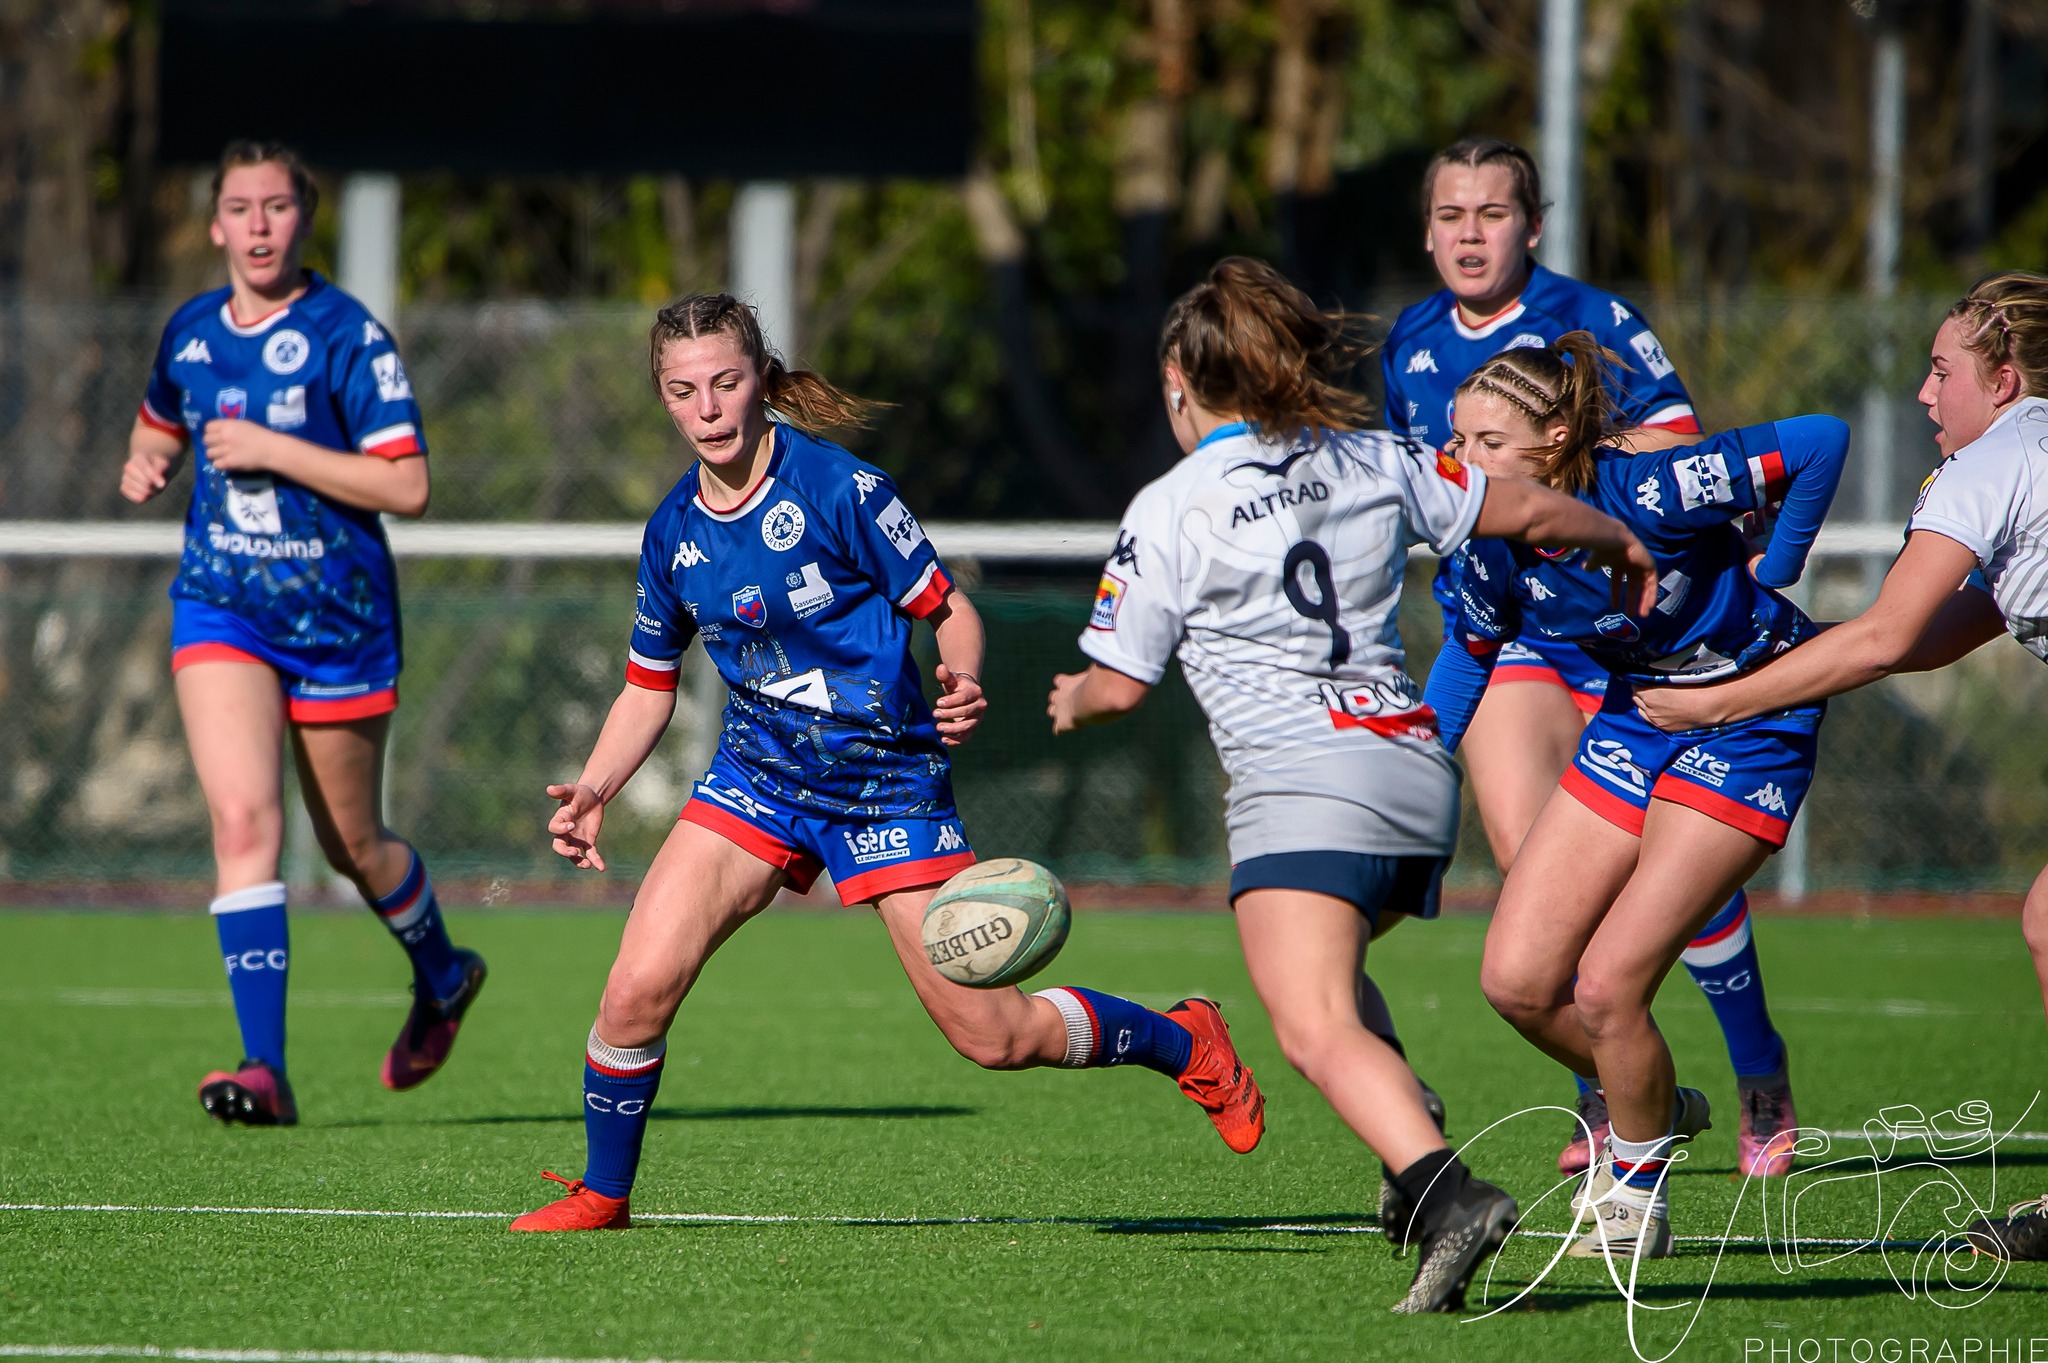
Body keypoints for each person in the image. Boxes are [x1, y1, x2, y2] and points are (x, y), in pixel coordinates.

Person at [509, 293, 1267, 1233]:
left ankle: (1179, 1037)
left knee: (993, 1035)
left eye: (726, 383)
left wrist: (961, 678)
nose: (707, 408)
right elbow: (646, 686)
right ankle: (604, 1193)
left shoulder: (840, 490)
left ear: (761, 382)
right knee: (633, 988)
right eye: (682, 391)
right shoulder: (672, 532)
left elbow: (951, 611)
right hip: (758, 778)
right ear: (662, 400)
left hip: (886, 787)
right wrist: (594, 786)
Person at [1047, 258, 1662, 1312]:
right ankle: (1405, 1109)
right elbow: (1516, 509)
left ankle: (1445, 1193)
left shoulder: (1173, 504)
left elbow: (1118, 685)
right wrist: (1614, 536)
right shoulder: (1370, 456)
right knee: (1332, 976)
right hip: (1413, 770)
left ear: (1175, 384)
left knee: (1309, 1023)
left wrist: (1070, 697)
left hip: (1300, 780)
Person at [1383, 135, 1798, 1178]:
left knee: (1673, 866)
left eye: (1488, 213)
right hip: (1516, 620)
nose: (1467, 234)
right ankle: (1604, 1101)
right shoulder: (1409, 343)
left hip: (1631, 611)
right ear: (1425, 229)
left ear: (1531, 224)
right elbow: (1432, 491)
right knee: (1539, 870)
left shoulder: (1595, 321)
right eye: (1448, 216)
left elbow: (1679, 445)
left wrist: (1596, 512)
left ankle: (1755, 1068)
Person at [1630, 271, 2048, 1261]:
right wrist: (1801, 650)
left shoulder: (1990, 461)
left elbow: (1880, 637)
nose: (1920, 394)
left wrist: (1719, 697)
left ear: (2002, 379)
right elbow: (1949, 624)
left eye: (1940, 370)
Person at [1423, 333, 1849, 1259]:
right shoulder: (1489, 538)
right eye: (1456, 442)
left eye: (1488, 443)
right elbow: (1469, 654)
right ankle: (1652, 1098)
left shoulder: (1650, 485)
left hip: (1750, 725)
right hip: (1637, 723)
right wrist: (1410, 764)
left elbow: (1820, 438)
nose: (1464, 464)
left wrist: (1773, 573)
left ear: (1559, 434)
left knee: (1608, 985)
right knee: (1518, 982)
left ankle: (1636, 1194)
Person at [118, 141, 484, 1127]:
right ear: (215, 225)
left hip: (339, 621)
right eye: (239, 207)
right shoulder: (191, 332)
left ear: (302, 219)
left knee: (352, 843)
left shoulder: (345, 335)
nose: (258, 225)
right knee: (244, 824)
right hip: (222, 606)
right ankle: (264, 1069)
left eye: (276, 206)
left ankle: (443, 973)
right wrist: (147, 462)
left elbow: (407, 485)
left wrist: (278, 448)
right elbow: (162, 422)